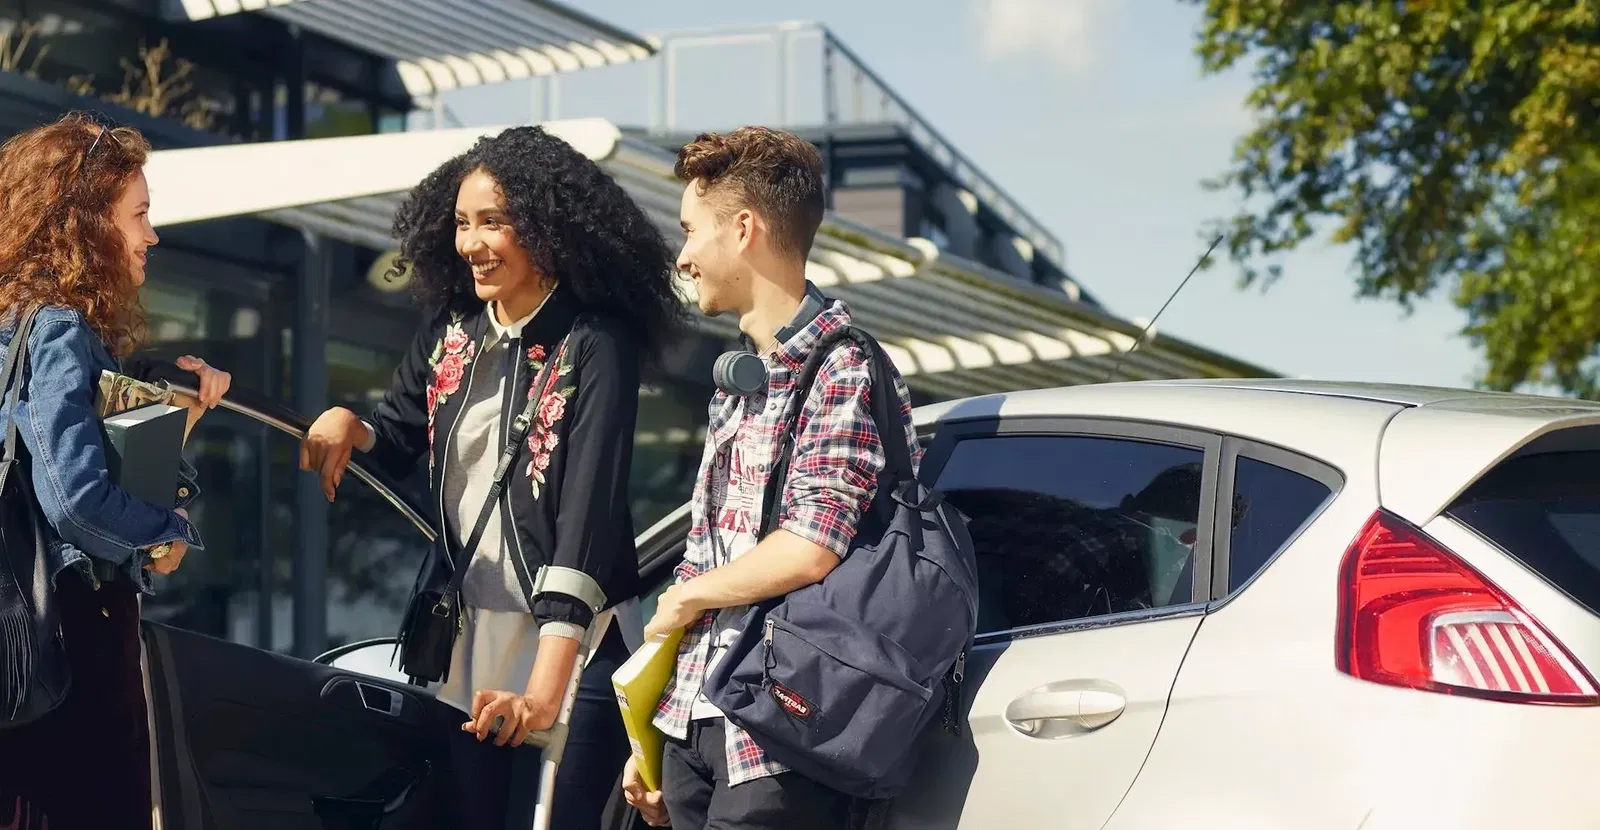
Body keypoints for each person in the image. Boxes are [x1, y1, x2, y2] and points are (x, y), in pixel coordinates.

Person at [299, 125, 684, 829]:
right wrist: (347, 423)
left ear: (547, 229)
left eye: (494, 223)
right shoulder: (453, 328)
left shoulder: (595, 344)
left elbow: (585, 525)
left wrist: (541, 694)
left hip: (573, 647)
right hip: (464, 645)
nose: (471, 243)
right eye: (462, 224)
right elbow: (394, 438)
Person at [623, 126, 923, 830]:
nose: (684, 256)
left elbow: (811, 546)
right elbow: (704, 550)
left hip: (782, 735)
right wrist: (654, 732)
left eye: (692, 231)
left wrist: (685, 598)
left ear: (745, 230)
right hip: (698, 719)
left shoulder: (842, 366)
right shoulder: (738, 379)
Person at [0, 113, 231, 830]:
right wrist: (170, 526)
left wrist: (175, 420)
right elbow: (75, 502)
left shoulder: (11, 326)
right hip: (69, 640)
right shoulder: (62, 329)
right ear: (84, 224)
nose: (151, 236)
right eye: (139, 215)